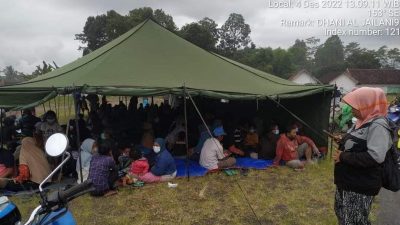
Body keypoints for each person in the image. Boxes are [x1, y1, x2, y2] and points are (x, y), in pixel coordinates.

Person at [333, 87, 391, 225]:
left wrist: (343, 157)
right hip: (347, 182)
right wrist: (343, 140)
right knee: (343, 215)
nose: (352, 110)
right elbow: (360, 141)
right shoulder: (362, 121)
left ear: (367, 104)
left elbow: (375, 157)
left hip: (360, 185)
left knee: (355, 221)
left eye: (355, 106)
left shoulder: (378, 125)